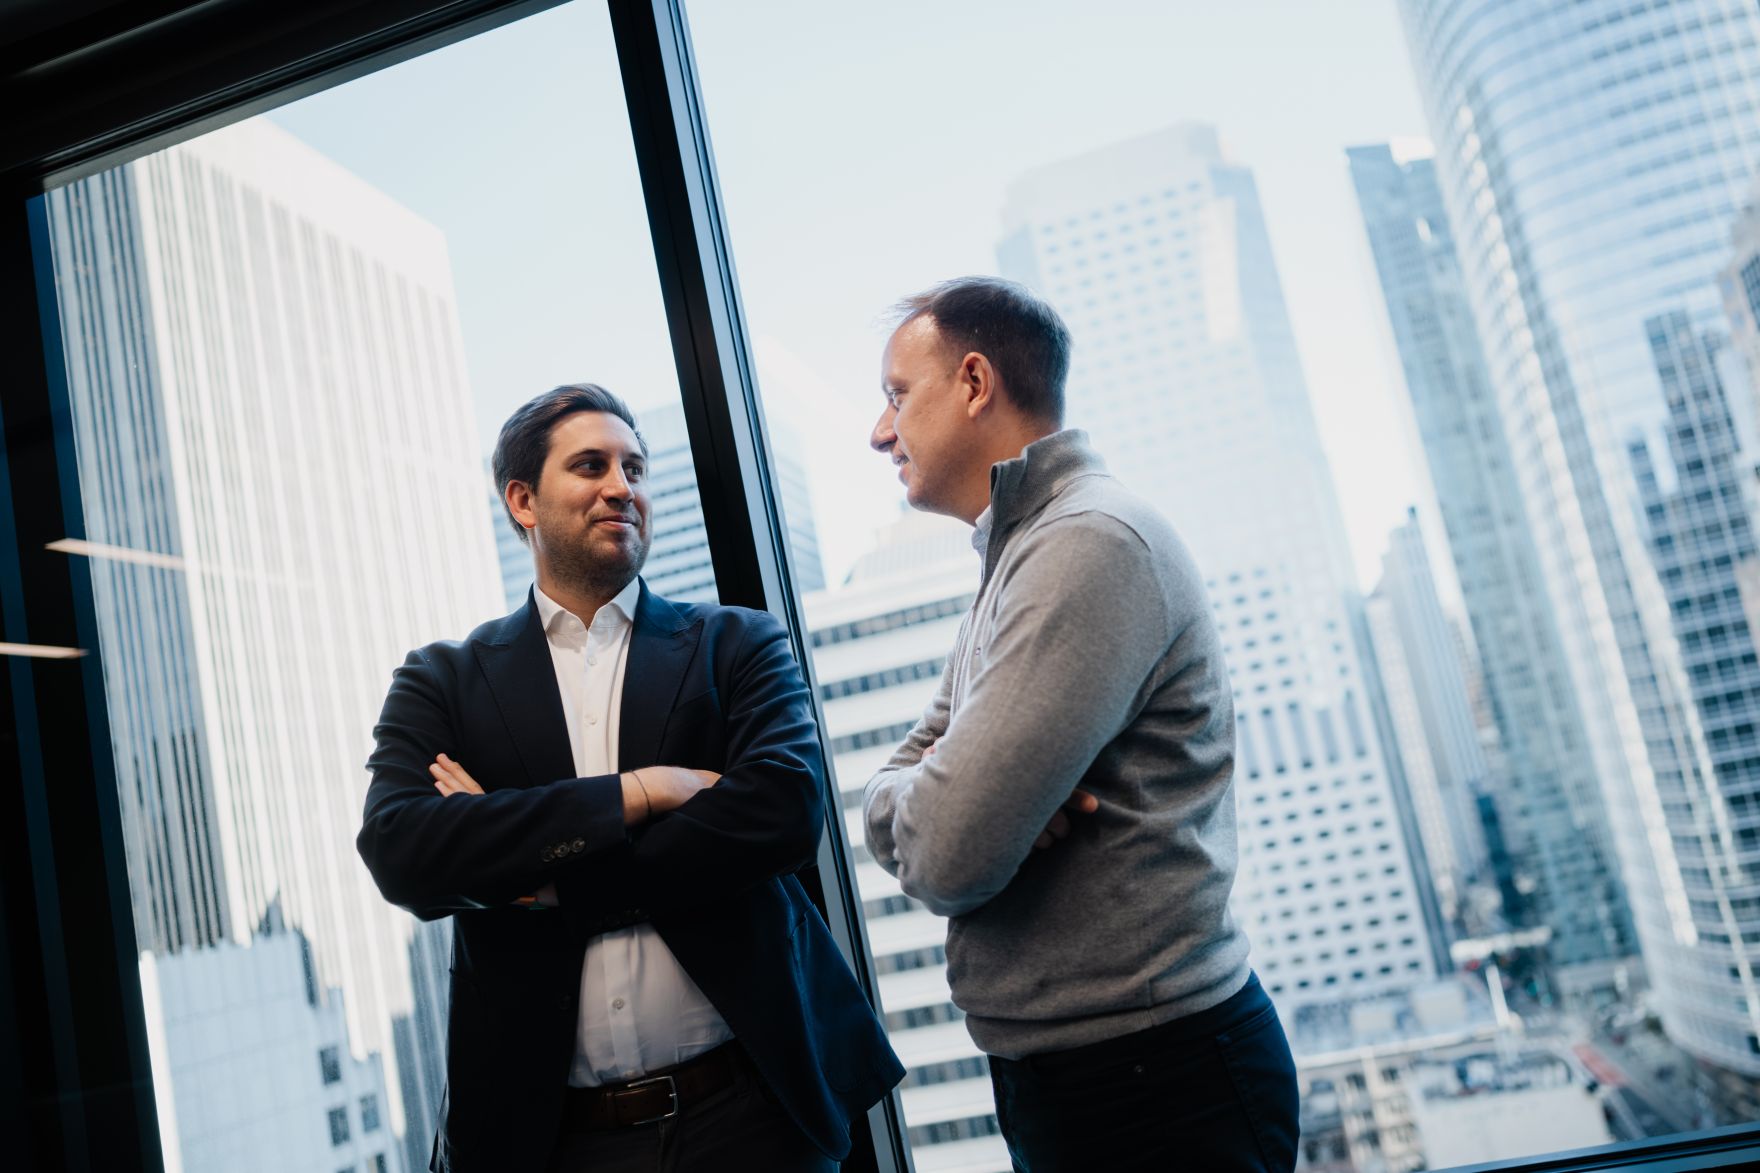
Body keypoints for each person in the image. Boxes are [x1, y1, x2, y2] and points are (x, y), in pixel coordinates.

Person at [358, 384, 903, 1172]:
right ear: (522, 500)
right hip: (552, 1142)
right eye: (591, 465)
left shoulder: (736, 642)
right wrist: (642, 792)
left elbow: (783, 811)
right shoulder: (441, 680)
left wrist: (541, 869)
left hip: (754, 1116)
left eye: (636, 467)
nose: (624, 486)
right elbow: (403, 851)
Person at [862, 278, 1299, 1171]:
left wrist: (966, 802)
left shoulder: (1086, 545)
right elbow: (901, 780)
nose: (879, 431)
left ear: (975, 383)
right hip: (1091, 1074)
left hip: (1154, 1087)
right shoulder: (1020, 553)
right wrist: (940, 794)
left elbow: (948, 850)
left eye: (897, 396)